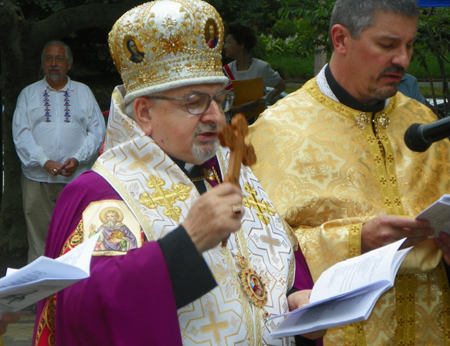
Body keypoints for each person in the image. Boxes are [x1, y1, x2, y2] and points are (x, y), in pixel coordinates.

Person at [32, 1, 324, 345]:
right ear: (144, 113)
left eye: (219, 99)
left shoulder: (231, 171)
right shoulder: (105, 191)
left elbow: (280, 262)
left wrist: (298, 300)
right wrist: (187, 244)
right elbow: (90, 310)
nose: (215, 116)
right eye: (195, 102)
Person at [248, 0, 450, 345]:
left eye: (409, 45)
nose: (402, 59)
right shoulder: (275, 131)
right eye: (387, 45)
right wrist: (356, 239)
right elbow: (256, 251)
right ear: (340, 39)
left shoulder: (424, 123)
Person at [12, 40, 106, 263]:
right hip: (37, 180)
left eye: (59, 59)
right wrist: (44, 161)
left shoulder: (83, 92)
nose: (54, 64)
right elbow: (21, 133)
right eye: (49, 58)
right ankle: (40, 295)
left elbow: (97, 131)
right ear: (43, 63)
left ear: (69, 64)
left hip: (75, 180)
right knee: (39, 241)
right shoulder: (29, 94)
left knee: (76, 237)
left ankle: (71, 295)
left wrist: (78, 158)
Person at [223, 23, 286, 123]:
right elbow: (220, 102)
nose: (225, 46)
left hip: (259, 123)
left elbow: (281, 86)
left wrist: (264, 100)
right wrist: (236, 109)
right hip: (234, 125)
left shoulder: (261, 68)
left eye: (229, 43)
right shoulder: (226, 71)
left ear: (241, 45)